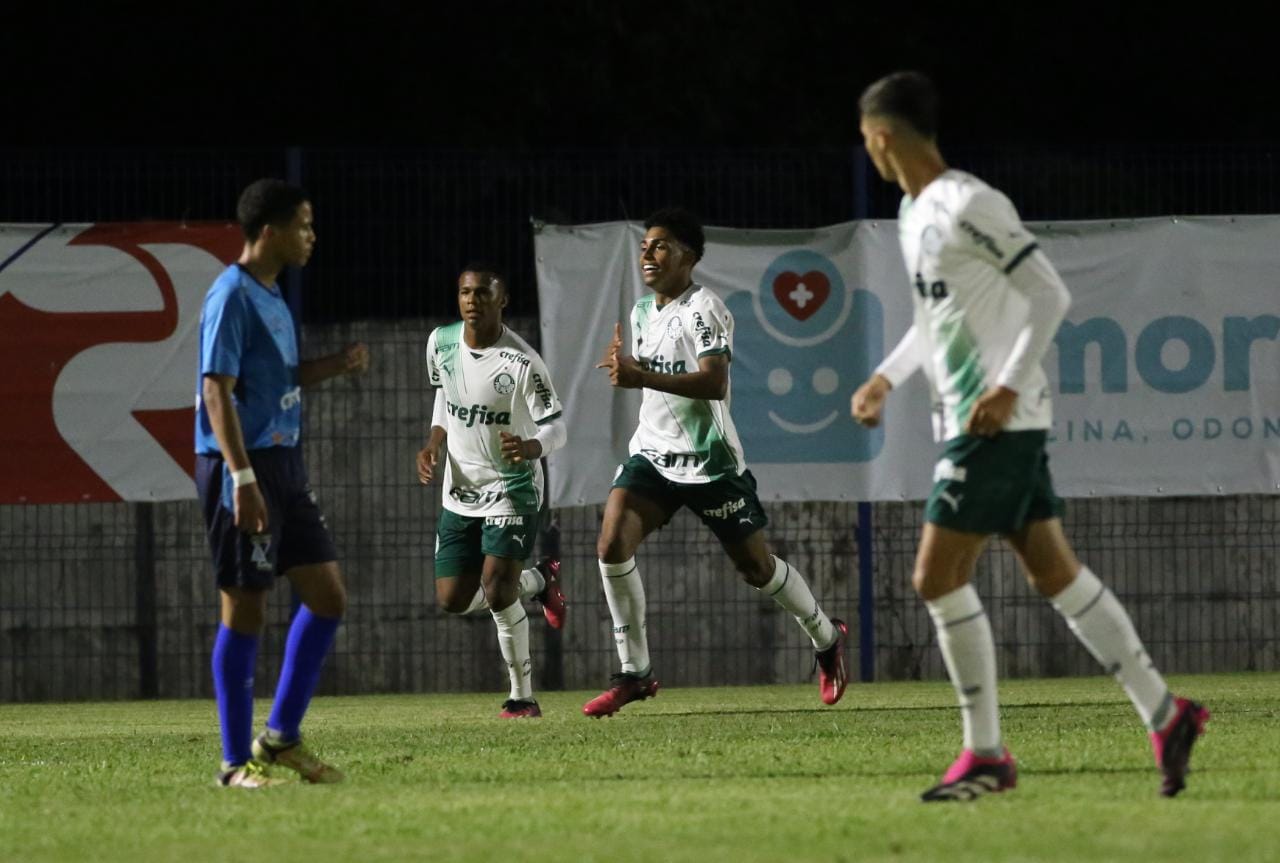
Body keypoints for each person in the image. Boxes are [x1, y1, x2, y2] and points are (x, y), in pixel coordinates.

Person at [850, 71, 1209, 801]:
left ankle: (986, 753)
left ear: (882, 136)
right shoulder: (912, 211)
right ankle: (1166, 714)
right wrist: (888, 377)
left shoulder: (969, 203)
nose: (867, 152)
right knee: (1055, 573)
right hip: (974, 417)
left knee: (934, 577)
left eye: (865, 141)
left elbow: (1050, 290)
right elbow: (935, 322)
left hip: (998, 420)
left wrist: (1007, 383)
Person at [586, 207, 848, 717]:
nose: (648, 253)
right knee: (611, 544)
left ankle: (825, 637)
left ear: (689, 256)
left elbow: (713, 383)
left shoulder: (705, 308)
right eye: (645, 245)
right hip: (653, 456)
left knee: (756, 568)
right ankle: (635, 673)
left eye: (660, 245)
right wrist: (630, 368)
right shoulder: (642, 312)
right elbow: (647, 373)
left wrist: (641, 377)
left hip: (710, 461)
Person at [196, 178, 369, 787]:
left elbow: (278, 380)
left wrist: (336, 365)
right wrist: (240, 477)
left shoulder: (272, 295)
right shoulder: (231, 295)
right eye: (303, 224)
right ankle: (231, 765)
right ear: (269, 231)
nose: (311, 235)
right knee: (245, 608)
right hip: (240, 468)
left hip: (286, 466)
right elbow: (215, 388)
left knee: (328, 597)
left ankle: (280, 738)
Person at [416, 264, 568, 718]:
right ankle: (540, 580)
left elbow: (556, 425)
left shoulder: (522, 361)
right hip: (459, 490)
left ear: (502, 301)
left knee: (499, 591)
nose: (472, 301)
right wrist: (433, 442)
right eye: (465, 292)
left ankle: (521, 696)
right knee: (452, 600)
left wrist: (531, 446)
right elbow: (445, 394)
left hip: (512, 488)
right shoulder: (440, 342)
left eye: (483, 293)